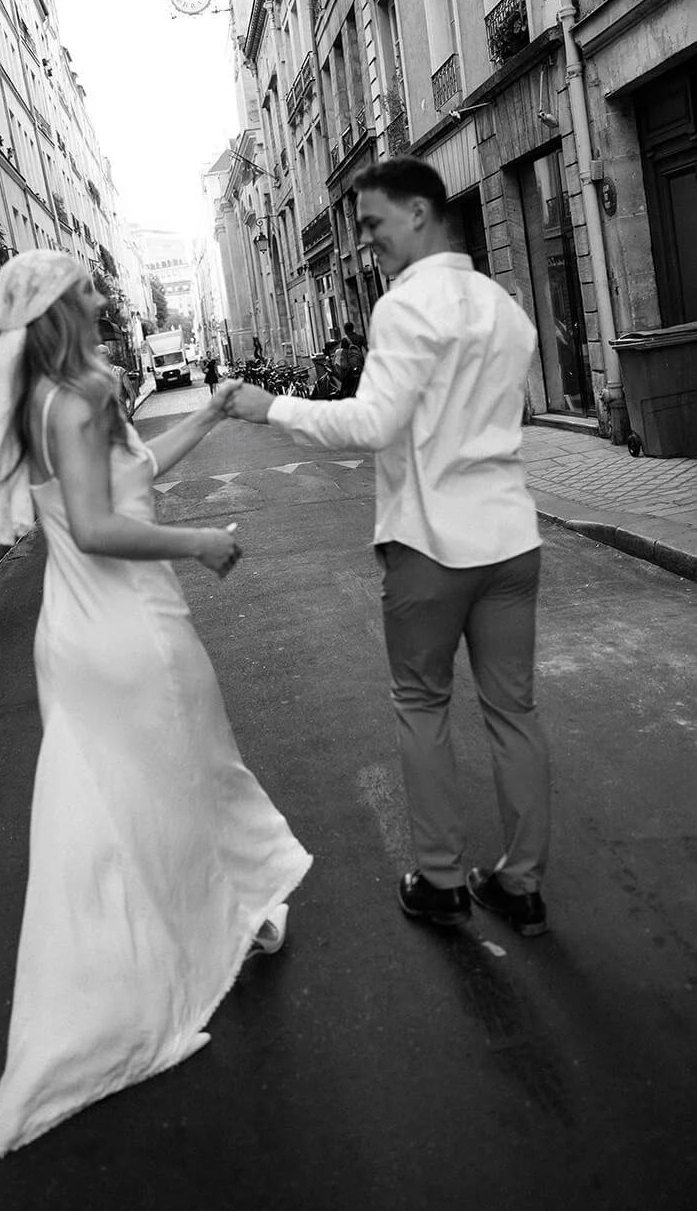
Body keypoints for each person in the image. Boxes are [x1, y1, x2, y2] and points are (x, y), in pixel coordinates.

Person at [0, 252, 311, 1158]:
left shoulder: (64, 396)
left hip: (79, 632)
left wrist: (206, 409)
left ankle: (164, 943)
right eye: (83, 286)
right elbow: (94, 525)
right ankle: (191, 938)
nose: (98, 294)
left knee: (121, 800)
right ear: (55, 308)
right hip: (126, 629)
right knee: (189, 771)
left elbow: (130, 472)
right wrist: (196, 539)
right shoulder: (74, 399)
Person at [227, 159, 550, 939]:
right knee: (513, 714)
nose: (364, 240)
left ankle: (440, 882)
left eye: (371, 223)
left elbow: (371, 424)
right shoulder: (505, 308)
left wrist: (272, 407)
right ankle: (522, 886)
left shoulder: (405, 308)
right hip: (511, 539)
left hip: (431, 544)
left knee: (421, 706)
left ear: (417, 211)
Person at [97, 341, 136, 421]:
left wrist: (131, 406)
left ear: (109, 355)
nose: (101, 356)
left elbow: (131, 391)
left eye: (103, 353)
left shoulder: (120, 371)